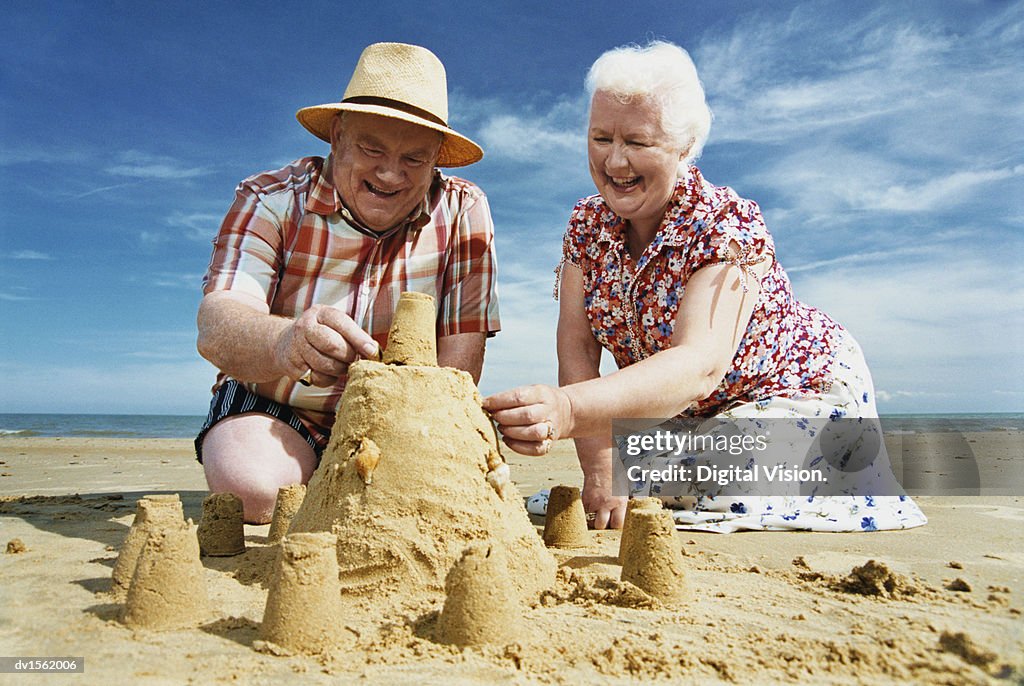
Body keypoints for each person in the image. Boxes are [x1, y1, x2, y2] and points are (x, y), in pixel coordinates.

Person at [483, 41, 926, 534]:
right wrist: (599, 466)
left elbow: (699, 365)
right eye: (601, 138)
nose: (615, 161)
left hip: (792, 391)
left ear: (684, 146)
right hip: (685, 418)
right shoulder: (586, 225)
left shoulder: (726, 223)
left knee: (719, 481)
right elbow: (577, 348)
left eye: (638, 141)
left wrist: (568, 412)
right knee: (637, 475)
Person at [196, 43, 500, 523]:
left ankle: (344, 481)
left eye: (415, 159)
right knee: (254, 490)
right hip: (276, 403)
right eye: (371, 148)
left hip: (400, 418)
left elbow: (460, 363)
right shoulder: (270, 200)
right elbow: (218, 325)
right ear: (337, 135)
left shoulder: (464, 209)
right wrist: (286, 341)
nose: (389, 173)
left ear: (439, 157)